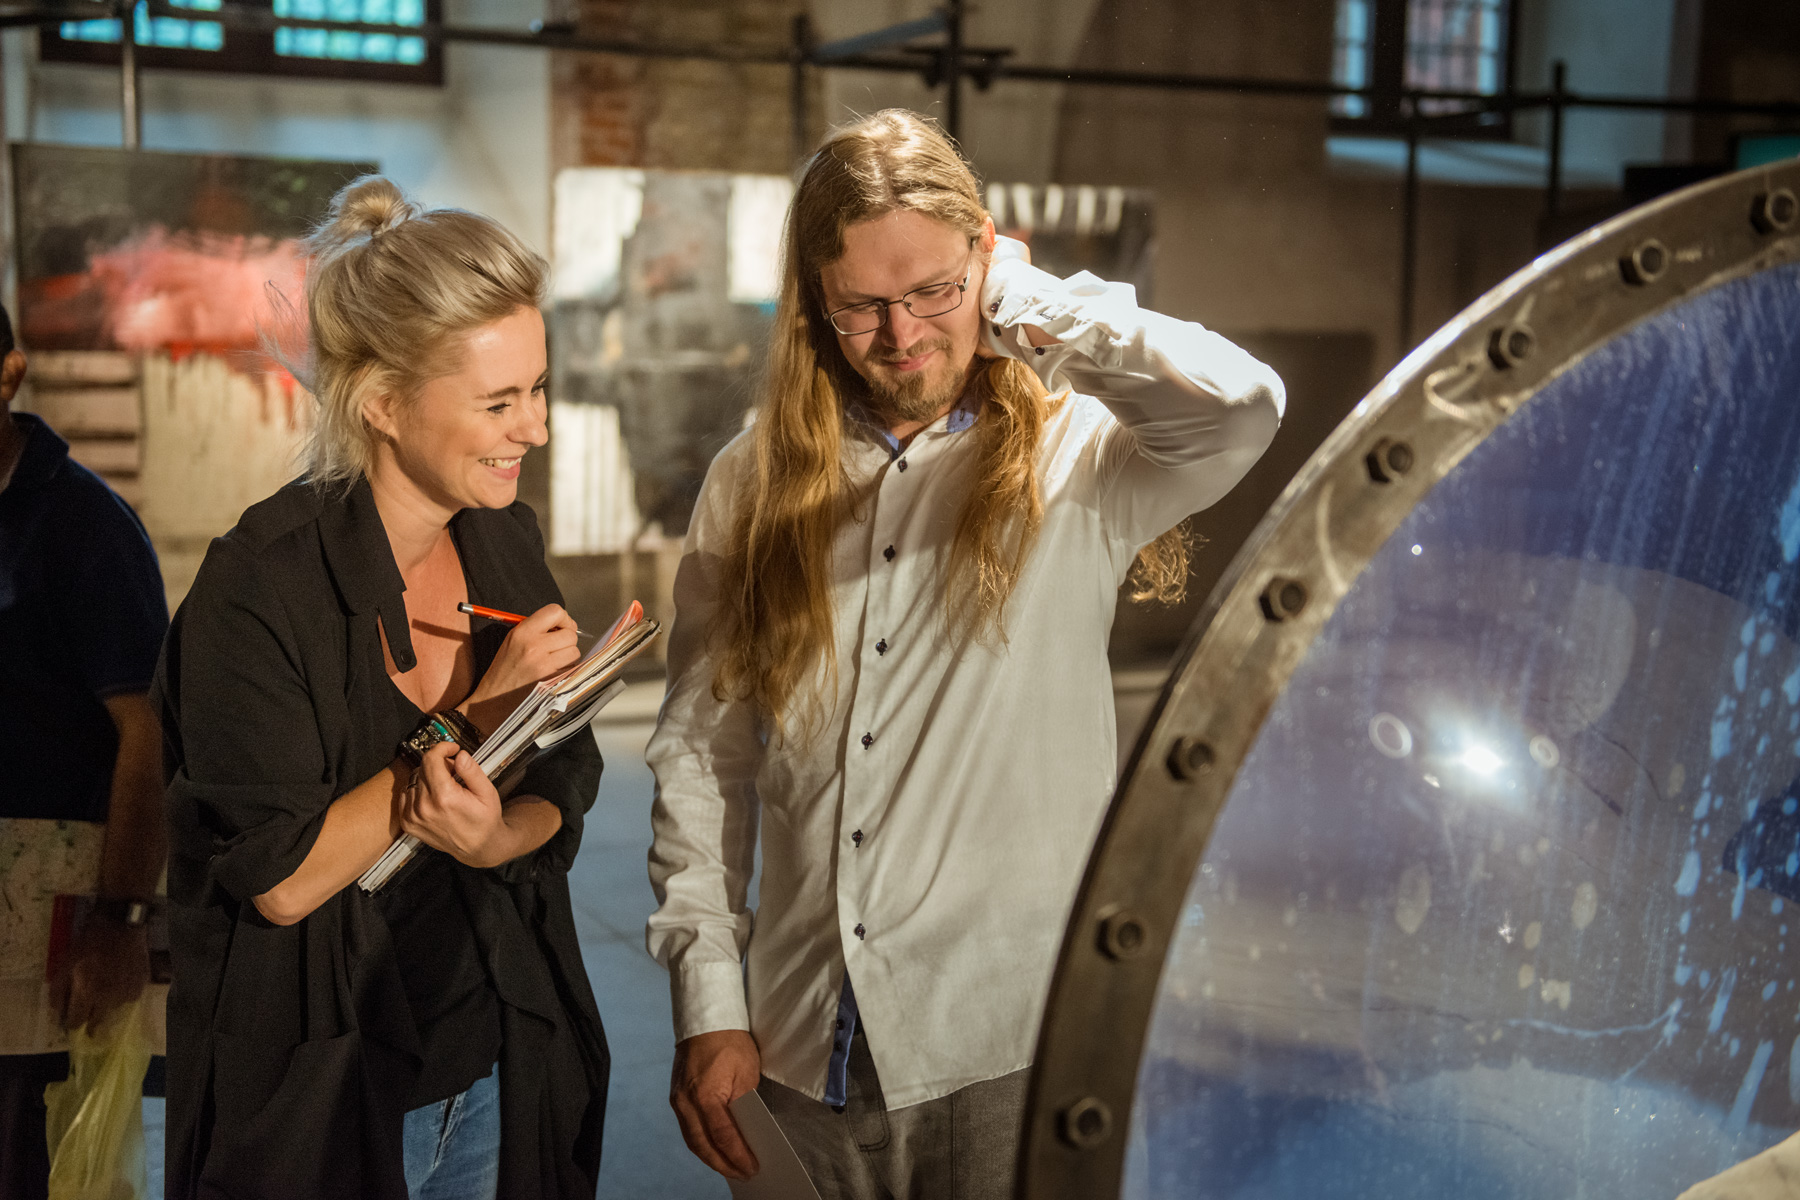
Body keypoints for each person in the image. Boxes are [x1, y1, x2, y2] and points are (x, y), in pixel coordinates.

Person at [647, 109, 1285, 1197]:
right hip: (800, 1043)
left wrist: (1025, 302)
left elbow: (1242, 406)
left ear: (985, 258)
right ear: (814, 301)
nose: (902, 336)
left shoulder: (1081, 453)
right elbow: (706, 753)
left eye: (936, 291)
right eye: (861, 306)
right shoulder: (751, 480)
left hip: (1008, 1042)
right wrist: (708, 997)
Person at [153, 177, 609, 1200]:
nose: (535, 429)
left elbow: (566, 771)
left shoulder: (503, 539)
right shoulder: (259, 588)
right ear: (384, 403)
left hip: (487, 1059)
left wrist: (497, 839)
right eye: (499, 402)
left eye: (539, 388)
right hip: (323, 1091)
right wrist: (477, 718)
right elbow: (282, 881)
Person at [0, 303, 169, 1200]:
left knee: (35, 1163)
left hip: (43, 954)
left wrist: (122, 921)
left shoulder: (82, 526)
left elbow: (150, 733)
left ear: (10, 375)